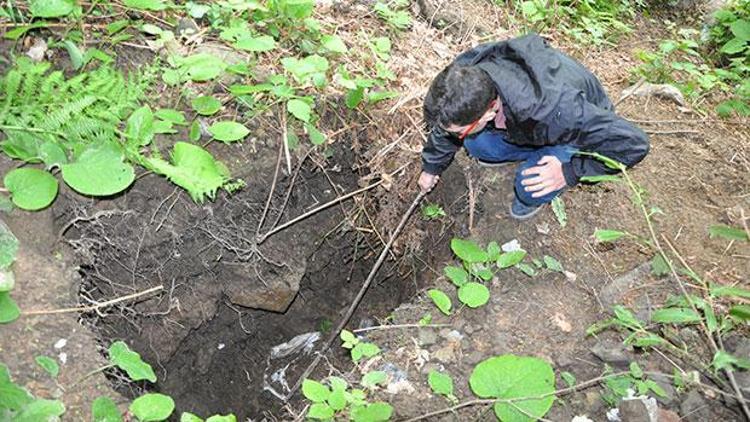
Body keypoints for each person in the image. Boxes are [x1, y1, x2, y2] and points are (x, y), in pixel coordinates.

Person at [418, 33, 649, 219]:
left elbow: (635, 144)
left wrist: (570, 171)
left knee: (529, 187)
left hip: (574, 128)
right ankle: (534, 150)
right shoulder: (465, 73)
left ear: (488, 112)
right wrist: (432, 166)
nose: (452, 135)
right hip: (532, 121)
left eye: (459, 130)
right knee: (476, 144)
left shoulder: (558, 110)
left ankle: (554, 158)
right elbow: (447, 122)